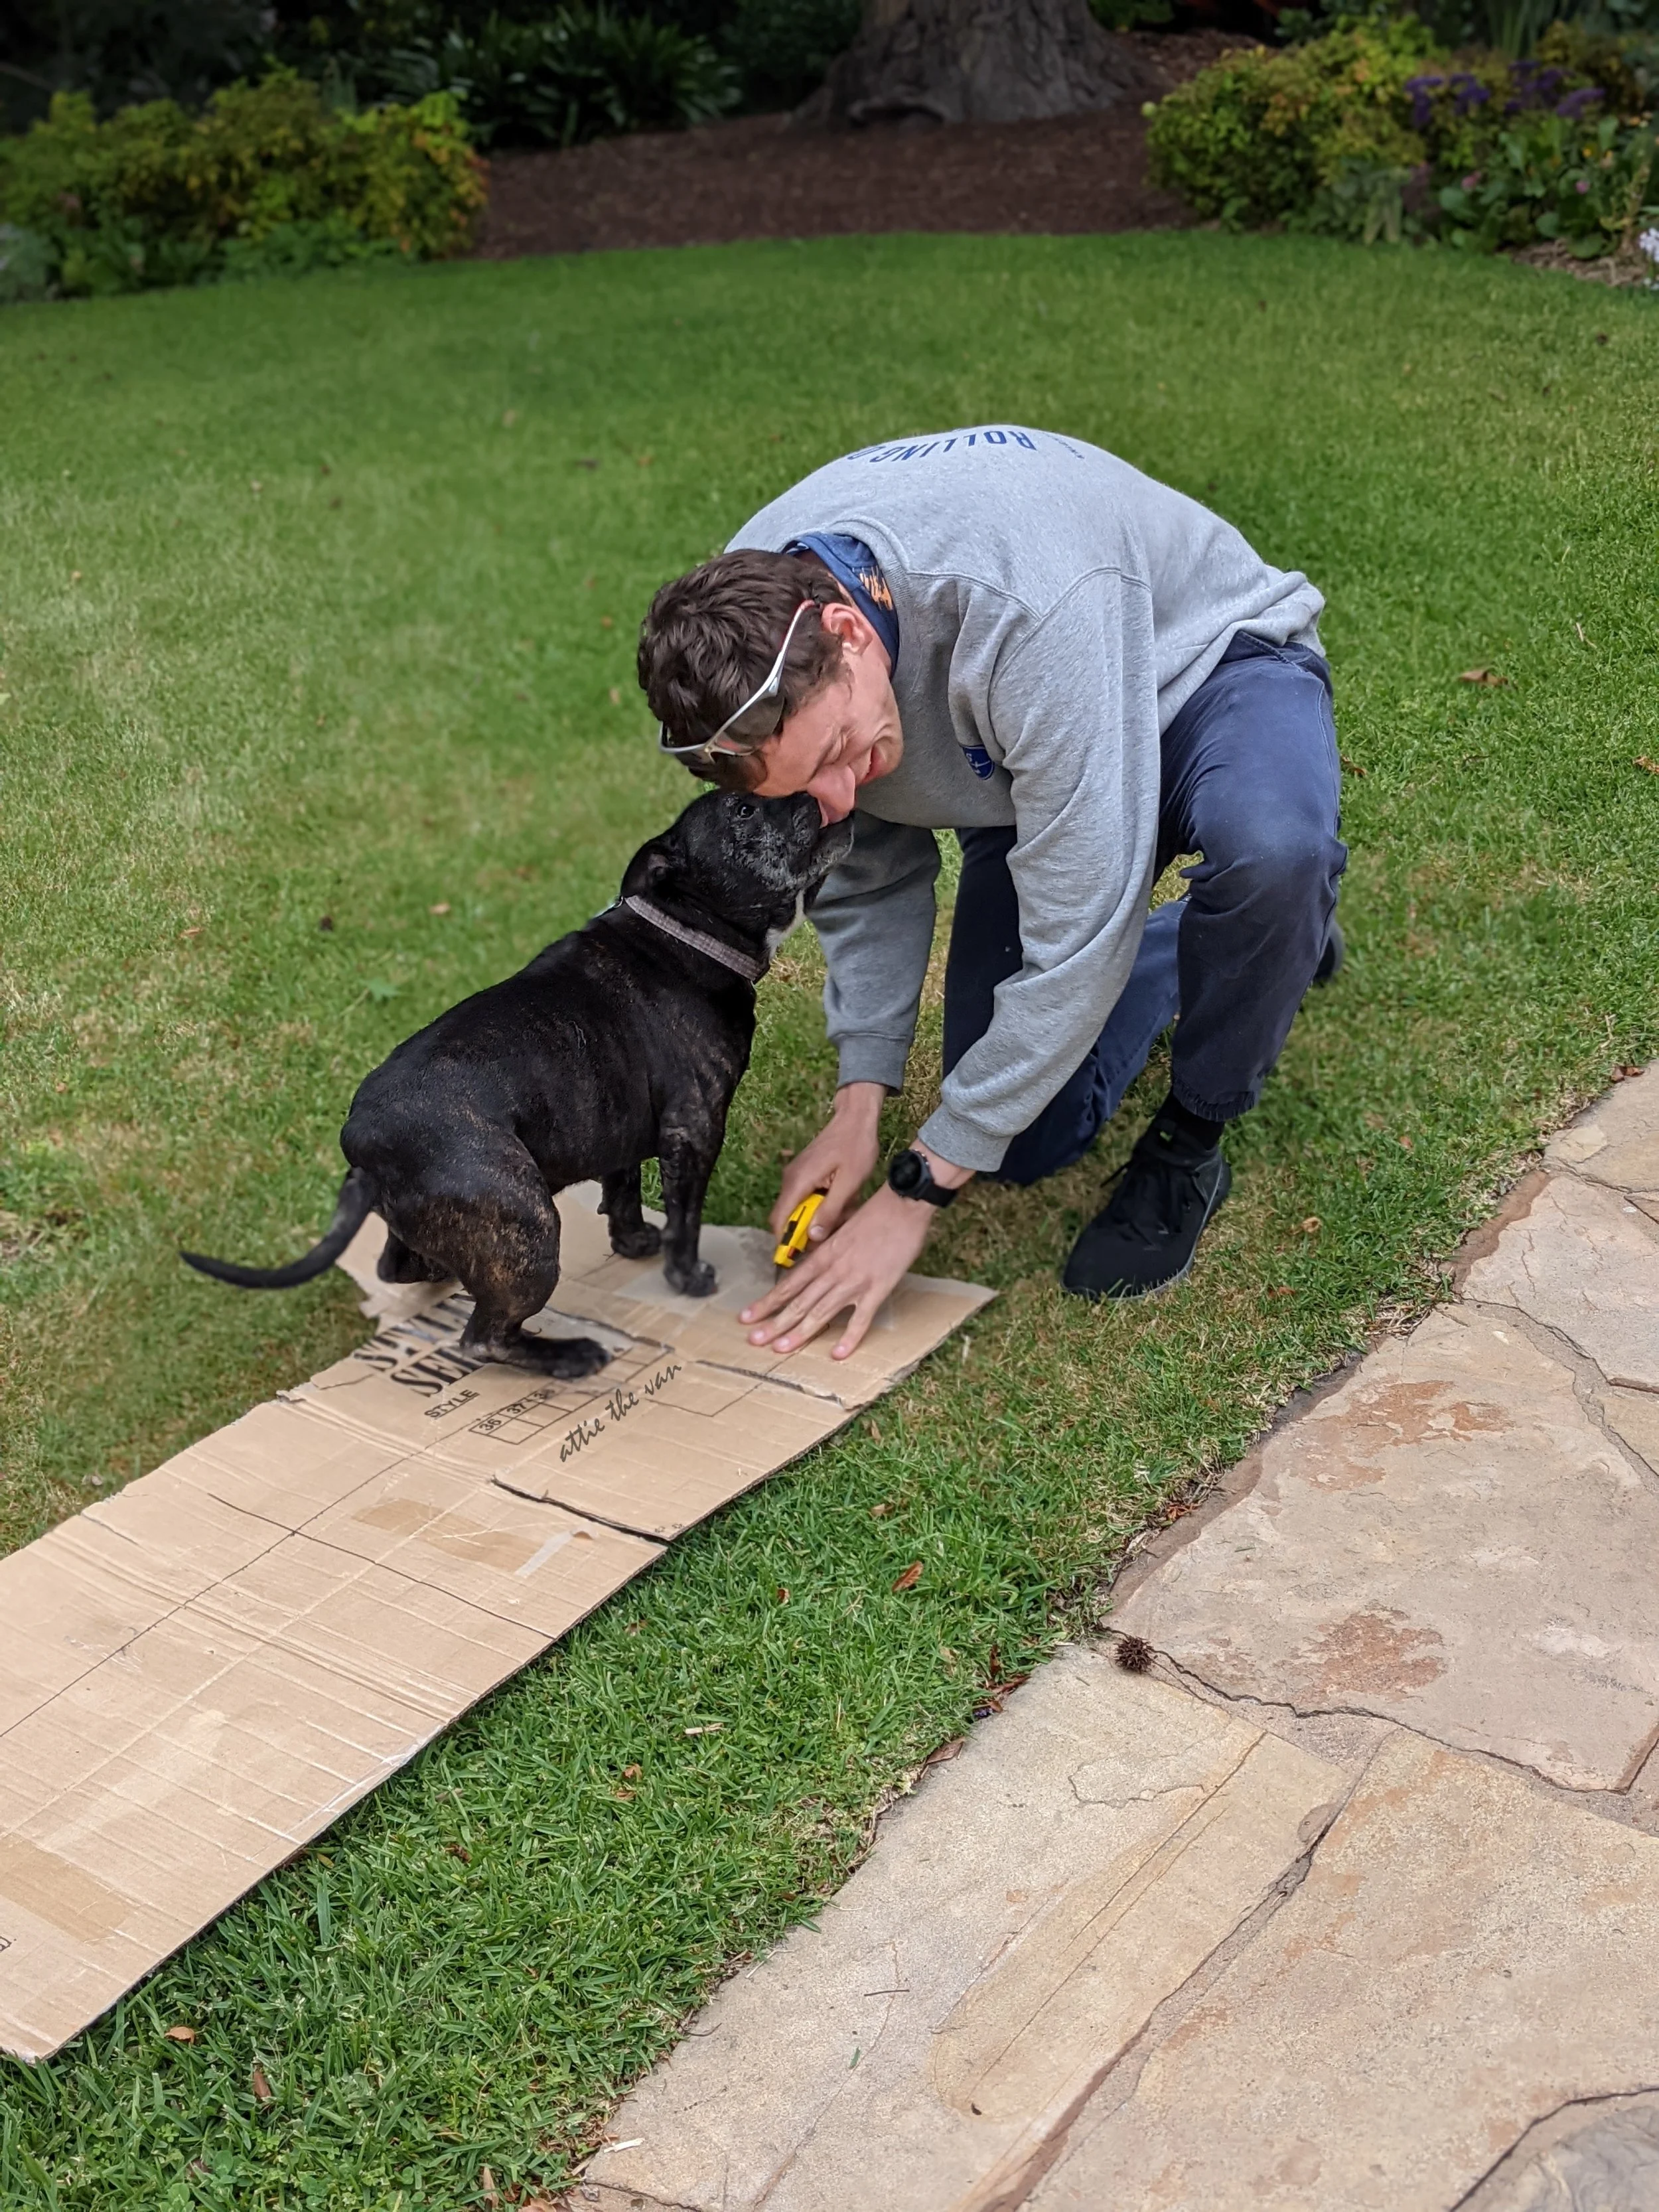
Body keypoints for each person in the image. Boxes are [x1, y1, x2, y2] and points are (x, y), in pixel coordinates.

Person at [635, 425, 1346, 1362]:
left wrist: (914, 1193)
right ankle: (1237, 949)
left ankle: (1192, 1135)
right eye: (807, 789)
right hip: (1016, 763)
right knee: (1027, 1138)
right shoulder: (753, 619)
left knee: (1273, 855)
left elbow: (1078, 933)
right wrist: (862, 1105)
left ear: (848, 633)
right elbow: (867, 877)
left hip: (1204, 674)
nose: (841, 801)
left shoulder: (1027, 605)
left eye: (840, 755)